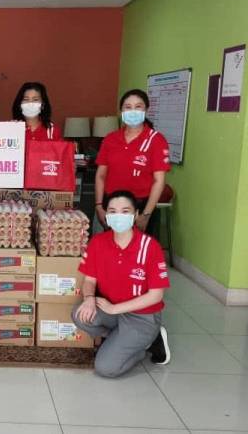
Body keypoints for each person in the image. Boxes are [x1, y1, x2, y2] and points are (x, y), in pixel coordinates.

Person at [72, 190, 171, 378]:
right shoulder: (98, 242)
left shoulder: (150, 247)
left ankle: (148, 343)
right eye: (113, 211)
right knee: (80, 314)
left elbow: (156, 295)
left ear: (135, 214)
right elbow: (90, 280)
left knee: (105, 368)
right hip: (111, 310)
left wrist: (114, 309)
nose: (119, 216)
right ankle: (121, 340)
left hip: (141, 317)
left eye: (125, 211)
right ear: (106, 215)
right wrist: (89, 298)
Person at [95, 89, 171, 235]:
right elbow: (100, 175)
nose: (133, 111)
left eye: (138, 106)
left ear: (146, 110)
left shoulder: (156, 140)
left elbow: (159, 181)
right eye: (128, 107)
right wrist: (99, 206)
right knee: (108, 246)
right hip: (111, 206)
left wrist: (146, 215)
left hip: (141, 207)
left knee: (138, 248)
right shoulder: (110, 139)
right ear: (121, 111)